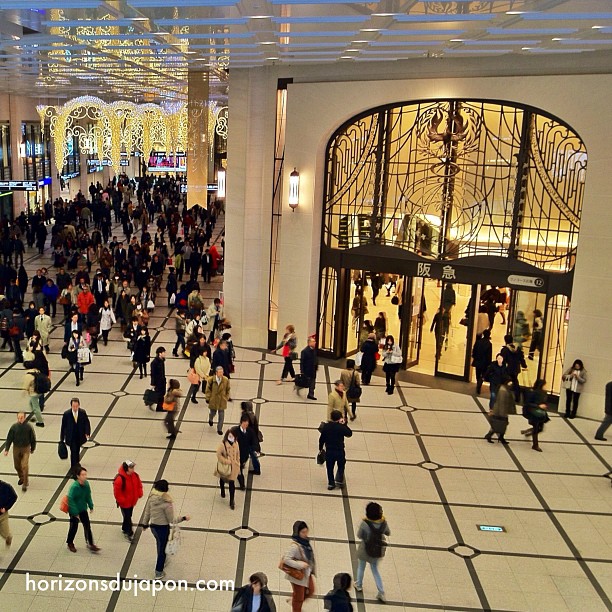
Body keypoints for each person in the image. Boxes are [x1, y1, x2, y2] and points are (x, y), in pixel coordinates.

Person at [141, 479, 190, 578]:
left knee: (159, 544)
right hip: (162, 528)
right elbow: (172, 520)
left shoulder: (151, 498)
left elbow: (147, 512)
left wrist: (145, 524)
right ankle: (159, 571)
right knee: (162, 549)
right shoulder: (167, 504)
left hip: (153, 527)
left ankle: (162, 559)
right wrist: (184, 518)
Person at [354, 501, 390, 603]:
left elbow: (359, 535)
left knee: (361, 566)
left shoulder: (365, 523)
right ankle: (381, 591)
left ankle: (359, 585)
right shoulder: (383, 523)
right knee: (375, 570)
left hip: (365, 549)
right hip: (377, 550)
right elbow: (388, 532)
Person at [282, 521, 316, 612]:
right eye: (303, 532)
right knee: (299, 598)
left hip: (306, 573)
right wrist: (299, 565)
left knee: (311, 590)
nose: (305, 534)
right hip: (298, 576)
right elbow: (286, 559)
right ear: (297, 532)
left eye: (306, 531)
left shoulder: (305, 543)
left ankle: (294, 600)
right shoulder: (294, 546)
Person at [66, 466, 100, 553]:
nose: (85, 476)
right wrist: (75, 512)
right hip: (74, 510)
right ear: (78, 476)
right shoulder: (74, 487)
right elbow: (70, 499)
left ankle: (91, 543)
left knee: (87, 526)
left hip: (83, 509)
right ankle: (70, 542)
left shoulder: (86, 484)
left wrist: (91, 505)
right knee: (74, 527)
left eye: (85, 474)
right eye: (83, 475)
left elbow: (88, 495)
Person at [318, 410, 353, 490]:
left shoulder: (326, 426)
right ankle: (339, 480)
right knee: (341, 465)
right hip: (339, 450)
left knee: (329, 467)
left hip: (329, 450)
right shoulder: (341, 427)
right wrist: (344, 424)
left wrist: (320, 448)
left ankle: (331, 483)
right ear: (339, 418)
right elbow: (349, 434)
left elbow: (321, 439)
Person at [4, 412, 36, 491]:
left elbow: (33, 438)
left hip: (26, 448)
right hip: (16, 448)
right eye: (18, 417)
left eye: (21, 417)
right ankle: (21, 477)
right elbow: (9, 438)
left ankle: (25, 483)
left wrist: (33, 448)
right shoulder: (14, 427)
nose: (20, 419)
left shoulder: (28, 427)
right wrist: (6, 449)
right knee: (17, 466)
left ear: (25, 418)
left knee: (24, 465)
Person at [113, 460, 143, 541]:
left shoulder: (135, 476)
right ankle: (129, 532)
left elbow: (139, 485)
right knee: (128, 517)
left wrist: (139, 493)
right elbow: (117, 492)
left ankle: (124, 527)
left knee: (128, 515)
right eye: (131, 467)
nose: (133, 469)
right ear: (126, 468)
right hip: (124, 503)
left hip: (132, 501)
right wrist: (122, 500)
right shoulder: (120, 479)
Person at [60, 398, 91, 469]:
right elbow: (63, 426)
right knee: (73, 451)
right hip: (71, 437)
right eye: (73, 406)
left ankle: (76, 463)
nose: (75, 408)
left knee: (77, 450)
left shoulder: (82, 412)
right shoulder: (67, 414)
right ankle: (73, 466)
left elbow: (86, 423)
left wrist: (87, 432)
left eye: (76, 406)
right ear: (71, 406)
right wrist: (62, 438)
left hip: (79, 436)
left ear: (79, 405)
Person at [484, 375, 516, 445]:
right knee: (499, 424)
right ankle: (491, 435)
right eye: (509, 381)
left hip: (501, 411)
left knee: (501, 424)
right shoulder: (503, 390)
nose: (511, 383)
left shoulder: (505, 388)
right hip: (500, 411)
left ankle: (498, 437)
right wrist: (502, 414)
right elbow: (501, 403)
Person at [215, 429, 241, 510]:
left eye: (232, 436)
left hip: (233, 467)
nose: (231, 437)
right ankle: (222, 490)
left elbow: (237, 453)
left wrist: (237, 462)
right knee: (222, 479)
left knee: (232, 483)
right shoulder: (222, 445)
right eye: (230, 436)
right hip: (225, 466)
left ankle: (231, 501)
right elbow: (218, 455)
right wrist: (226, 461)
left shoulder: (236, 443)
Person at [521, 379, 549, 452]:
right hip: (533, 412)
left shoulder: (544, 393)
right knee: (536, 429)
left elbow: (545, 402)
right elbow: (527, 403)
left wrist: (544, 405)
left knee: (540, 428)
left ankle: (528, 431)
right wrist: (538, 406)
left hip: (541, 413)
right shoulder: (533, 392)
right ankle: (535, 445)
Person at [233, 413, 261, 482]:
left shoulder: (250, 431)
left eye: (247, 425)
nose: (245, 426)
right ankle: (241, 482)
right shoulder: (235, 431)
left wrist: (256, 448)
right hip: (238, 453)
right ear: (241, 423)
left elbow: (254, 440)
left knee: (241, 464)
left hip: (245, 453)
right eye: (244, 424)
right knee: (239, 469)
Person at [205, 365, 231, 435]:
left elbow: (228, 389)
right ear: (216, 373)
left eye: (222, 372)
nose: (221, 374)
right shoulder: (211, 380)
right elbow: (208, 390)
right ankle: (210, 419)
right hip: (214, 400)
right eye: (220, 372)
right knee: (212, 413)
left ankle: (219, 429)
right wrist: (208, 398)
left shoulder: (225, 380)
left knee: (221, 416)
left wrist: (226, 397)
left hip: (222, 400)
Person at [501, 334, 527, 402]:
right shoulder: (518, 348)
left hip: (508, 368)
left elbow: (502, 360)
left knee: (505, 382)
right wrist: (524, 365)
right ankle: (517, 397)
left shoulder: (505, 350)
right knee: (515, 382)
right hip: (516, 368)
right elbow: (521, 358)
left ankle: (504, 396)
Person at [472, 329, 492, 395]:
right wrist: (489, 363)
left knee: (477, 373)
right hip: (484, 362)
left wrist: (474, 357)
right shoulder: (489, 344)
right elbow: (489, 355)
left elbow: (474, 350)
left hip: (478, 360)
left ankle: (478, 383)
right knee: (483, 374)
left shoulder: (478, 342)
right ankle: (479, 385)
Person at [299, 336, 318, 400]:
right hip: (307, 370)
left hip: (313, 370)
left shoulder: (314, 350)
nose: (315, 343)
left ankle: (311, 394)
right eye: (313, 341)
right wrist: (302, 371)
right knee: (306, 383)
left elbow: (315, 359)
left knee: (313, 384)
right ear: (309, 343)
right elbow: (302, 362)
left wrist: (316, 366)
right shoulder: (304, 351)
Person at [0, 479, 17, 547]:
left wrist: (6, 507)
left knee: (5, 531)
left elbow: (14, 497)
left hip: (2, 515)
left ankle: (8, 537)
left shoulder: (6, 487)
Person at [150, 346, 167, 412]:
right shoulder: (155, 363)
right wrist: (153, 383)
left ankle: (159, 407)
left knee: (162, 393)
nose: (165, 354)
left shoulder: (162, 361)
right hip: (158, 381)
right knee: (160, 394)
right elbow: (153, 374)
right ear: (160, 353)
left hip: (162, 380)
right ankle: (158, 407)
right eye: (164, 352)